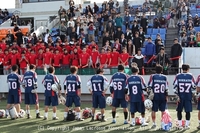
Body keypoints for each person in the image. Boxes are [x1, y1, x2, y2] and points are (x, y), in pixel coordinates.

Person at [173, 64, 196, 129]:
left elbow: (174, 87)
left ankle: (180, 125)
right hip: (188, 96)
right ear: (188, 69)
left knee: (179, 111)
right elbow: (194, 87)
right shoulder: (191, 76)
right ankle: (186, 125)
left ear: (182, 69)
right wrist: (193, 94)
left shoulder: (178, 76)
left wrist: (177, 95)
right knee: (188, 111)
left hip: (180, 96)